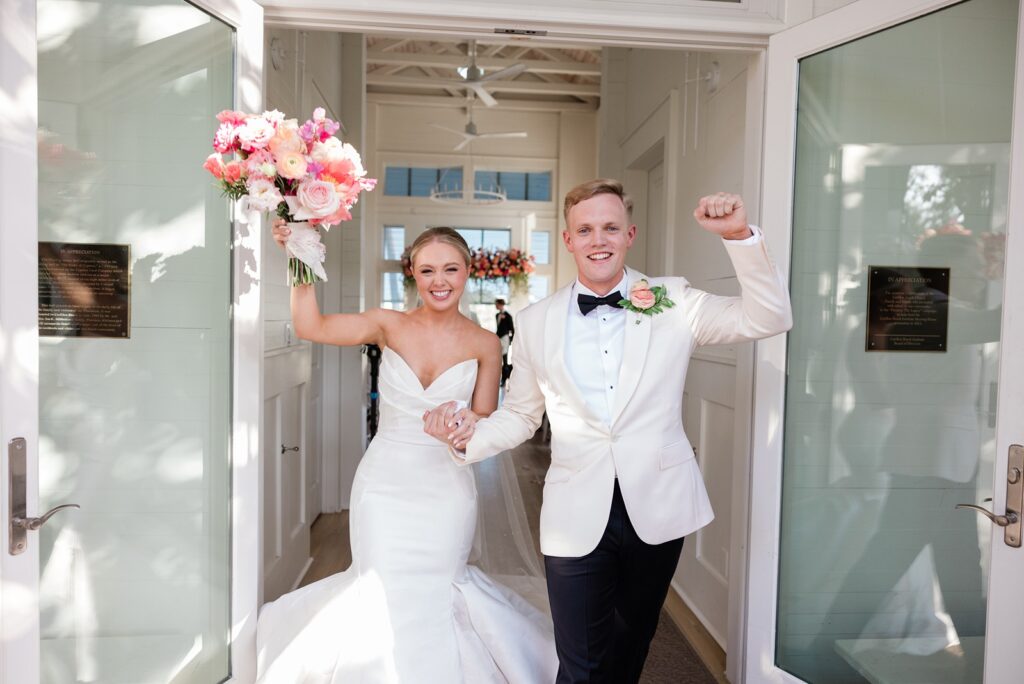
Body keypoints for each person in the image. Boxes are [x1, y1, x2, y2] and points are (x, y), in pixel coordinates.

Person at [424, 179, 793, 684]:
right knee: (580, 662)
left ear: (630, 234)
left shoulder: (674, 300)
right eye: (586, 229)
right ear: (568, 239)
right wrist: (469, 436)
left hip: (659, 506)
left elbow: (769, 316)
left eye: (610, 228)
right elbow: (523, 414)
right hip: (573, 511)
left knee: (631, 645)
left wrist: (738, 236)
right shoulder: (535, 322)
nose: (599, 239)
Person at [256, 223, 558, 683]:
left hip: (446, 486)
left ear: (468, 272)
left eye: (451, 269)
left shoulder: (485, 344)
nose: (440, 280)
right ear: (413, 274)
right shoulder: (386, 324)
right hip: (384, 483)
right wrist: (298, 258)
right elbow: (309, 325)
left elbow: (485, 422)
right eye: (428, 270)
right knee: (379, 582)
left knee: (439, 587)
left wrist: (458, 429)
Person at [494, 297, 515, 387]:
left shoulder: (508, 316)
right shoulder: (496, 315)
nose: (496, 306)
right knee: (499, 358)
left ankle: (505, 379)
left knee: (505, 359)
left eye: (497, 304)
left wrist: (510, 340)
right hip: (498, 338)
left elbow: (512, 329)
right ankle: (501, 378)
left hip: (505, 338)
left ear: (501, 304)